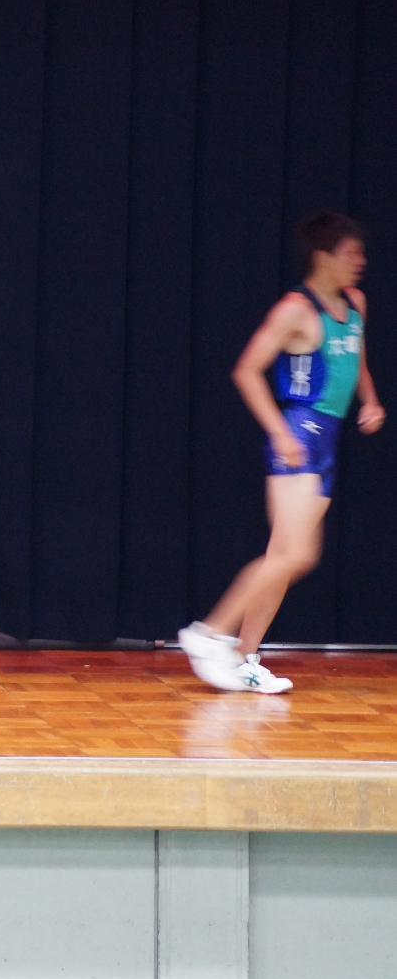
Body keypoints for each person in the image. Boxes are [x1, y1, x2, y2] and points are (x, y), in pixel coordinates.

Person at [178, 212, 384, 693]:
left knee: (287, 557)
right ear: (323, 257)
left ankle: (245, 655)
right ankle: (209, 633)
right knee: (294, 553)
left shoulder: (355, 303)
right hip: (298, 431)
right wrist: (281, 432)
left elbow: (356, 359)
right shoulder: (296, 309)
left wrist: (370, 399)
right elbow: (247, 370)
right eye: (350, 253)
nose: (360, 262)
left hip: (327, 437)